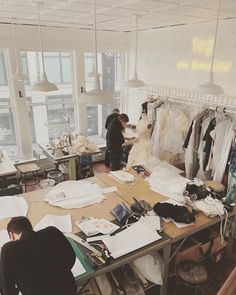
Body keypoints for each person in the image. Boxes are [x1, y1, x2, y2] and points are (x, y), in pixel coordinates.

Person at [0, 216, 77, 295]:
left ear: (11, 235)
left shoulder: (9, 250)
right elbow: (71, 257)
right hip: (69, 289)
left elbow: (7, 290)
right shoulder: (52, 232)